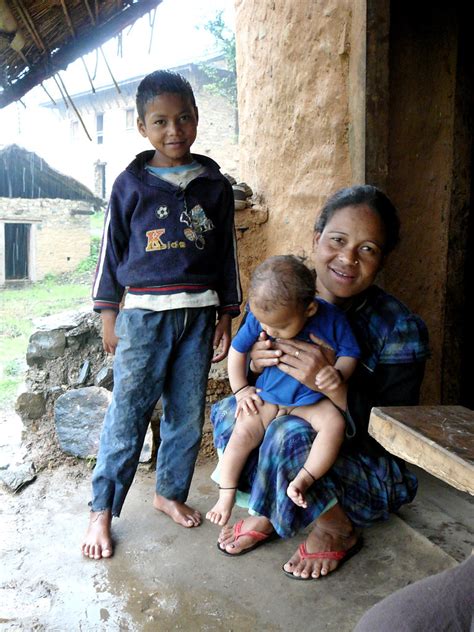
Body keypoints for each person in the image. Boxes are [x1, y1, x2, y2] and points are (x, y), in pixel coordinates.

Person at [211, 185, 430, 576]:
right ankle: (271, 505)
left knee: (285, 434)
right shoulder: (281, 293)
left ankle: (336, 527)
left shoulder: (399, 327)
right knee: (235, 412)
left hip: (367, 465)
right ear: (316, 239)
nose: (347, 258)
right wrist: (257, 369)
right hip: (292, 418)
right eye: (338, 240)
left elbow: (398, 434)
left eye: (368, 249)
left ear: (382, 260)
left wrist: (334, 386)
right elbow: (245, 355)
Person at [81, 70, 241, 560]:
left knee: (186, 416)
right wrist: (109, 313)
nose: (175, 130)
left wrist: (227, 312)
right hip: (144, 319)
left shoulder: (213, 185)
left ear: (196, 119)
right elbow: (112, 251)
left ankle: (169, 493)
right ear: (142, 127)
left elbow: (225, 257)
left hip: (197, 318)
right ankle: (102, 510)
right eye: (161, 121)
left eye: (184, 118)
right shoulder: (131, 185)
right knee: (127, 414)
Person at [206, 255, 360, 526]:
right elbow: (238, 351)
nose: (268, 330)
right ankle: (226, 493)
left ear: (309, 309)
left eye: (278, 327)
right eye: (264, 324)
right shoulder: (260, 317)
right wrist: (241, 389)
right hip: (270, 397)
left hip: (310, 400)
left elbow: (350, 354)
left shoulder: (332, 319)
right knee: (243, 430)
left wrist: (338, 374)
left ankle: (303, 479)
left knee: (334, 423)